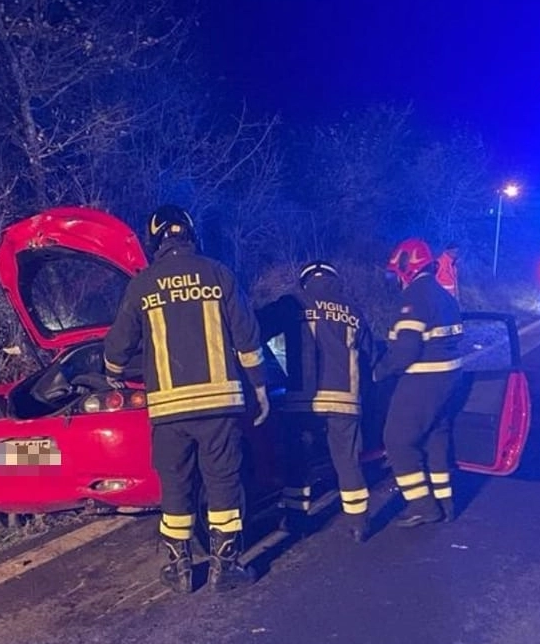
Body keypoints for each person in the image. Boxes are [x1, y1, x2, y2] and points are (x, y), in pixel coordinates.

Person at [103, 204, 270, 594]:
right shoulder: (218, 274)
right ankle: (224, 567)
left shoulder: (143, 284)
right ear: (190, 234)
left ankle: (180, 569)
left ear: (155, 239)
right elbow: (247, 338)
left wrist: (112, 372)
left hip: (169, 413)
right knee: (223, 481)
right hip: (219, 407)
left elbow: (118, 345)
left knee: (175, 484)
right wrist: (259, 387)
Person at [256, 260, 375, 543]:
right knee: (347, 461)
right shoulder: (353, 311)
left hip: (303, 401)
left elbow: (256, 327)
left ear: (305, 281)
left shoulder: (293, 303)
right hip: (345, 401)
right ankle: (359, 524)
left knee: (298, 461)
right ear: (334, 281)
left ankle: (297, 521)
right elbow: (370, 357)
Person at [374, 238, 464, 527]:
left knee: (397, 440)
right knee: (435, 437)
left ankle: (422, 506)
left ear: (406, 266)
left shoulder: (414, 296)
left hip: (423, 378)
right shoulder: (444, 295)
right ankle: (445, 501)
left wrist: (379, 371)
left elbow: (406, 349)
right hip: (449, 378)